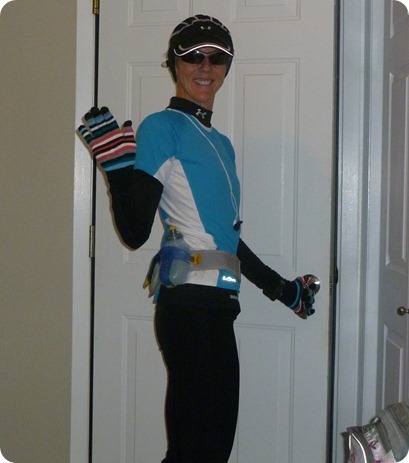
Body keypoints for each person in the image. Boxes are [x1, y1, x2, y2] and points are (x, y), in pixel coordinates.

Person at [78, 14, 316, 463]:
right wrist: (117, 168)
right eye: (192, 56)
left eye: (217, 57)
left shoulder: (220, 143)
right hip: (187, 308)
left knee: (209, 450)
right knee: (197, 452)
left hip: (217, 307)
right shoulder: (161, 127)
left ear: (227, 66)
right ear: (174, 63)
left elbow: (227, 240)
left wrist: (284, 290)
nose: (205, 67)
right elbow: (134, 232)